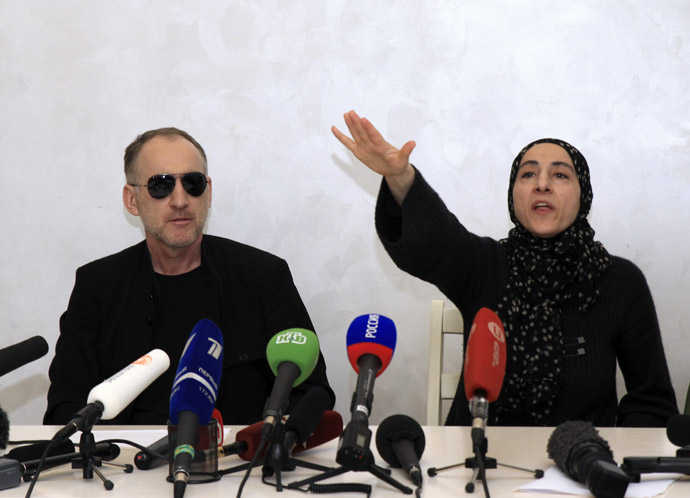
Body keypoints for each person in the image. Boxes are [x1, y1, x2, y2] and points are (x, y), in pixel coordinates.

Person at [332, 110, 678, 427]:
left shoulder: (620, 281)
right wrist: (401, 178)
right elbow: (433, 240)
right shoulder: (485, 264)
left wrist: (614, 466)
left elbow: (650, 403)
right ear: (514, 196)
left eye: (560, 174)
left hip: (581, 466)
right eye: (528, 174)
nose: (542, 184)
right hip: (478, 462)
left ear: (583, 195)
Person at [44, 127, 335, 425]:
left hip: (236, 464)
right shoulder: (98, 286)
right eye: (161, 185)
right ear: (132, 200)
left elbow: (311, 395)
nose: (180, 200)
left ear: (207, 193)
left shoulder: (263, 276)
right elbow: (64, 409)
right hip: (124, 464)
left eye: (193, 183)